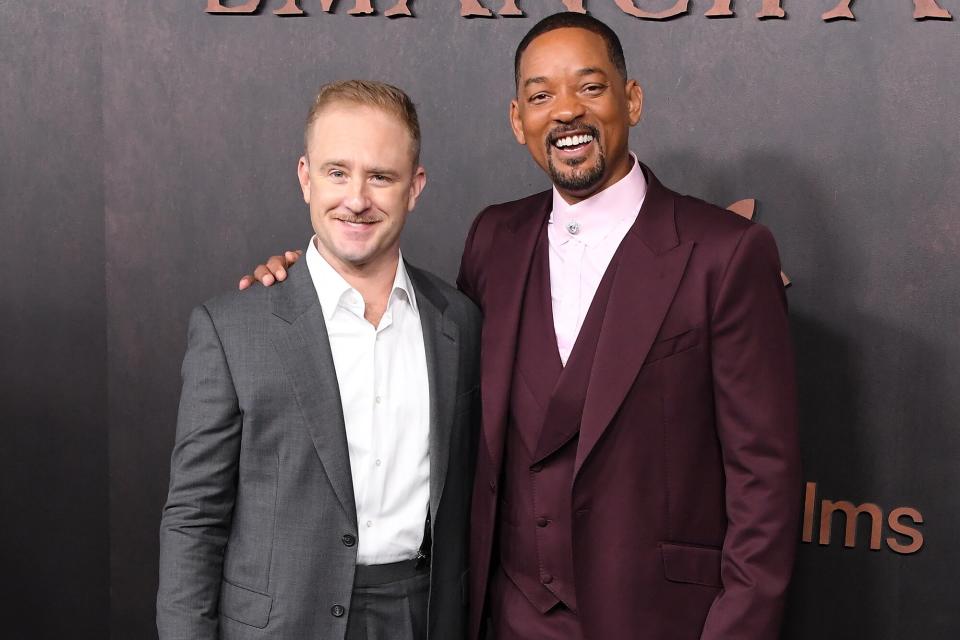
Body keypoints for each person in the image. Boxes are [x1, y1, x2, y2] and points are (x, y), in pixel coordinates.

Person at [241, 12, 801, 640]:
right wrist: (305, 277)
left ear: (632, 99)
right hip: (504, 616)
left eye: (589, 87)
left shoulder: (725, 251)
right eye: (541, 95)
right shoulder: (493, 240)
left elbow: (766, 484)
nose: (565, 111)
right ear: (518, 121)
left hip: (659, 619)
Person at [158, 80, 481, 640]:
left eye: (381, 176)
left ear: (415, 187)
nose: (357, 198)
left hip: (422, 618)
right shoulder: (232, 327)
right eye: (337, 172)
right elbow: (194, 519)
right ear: (306, 177)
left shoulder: (459, 320)